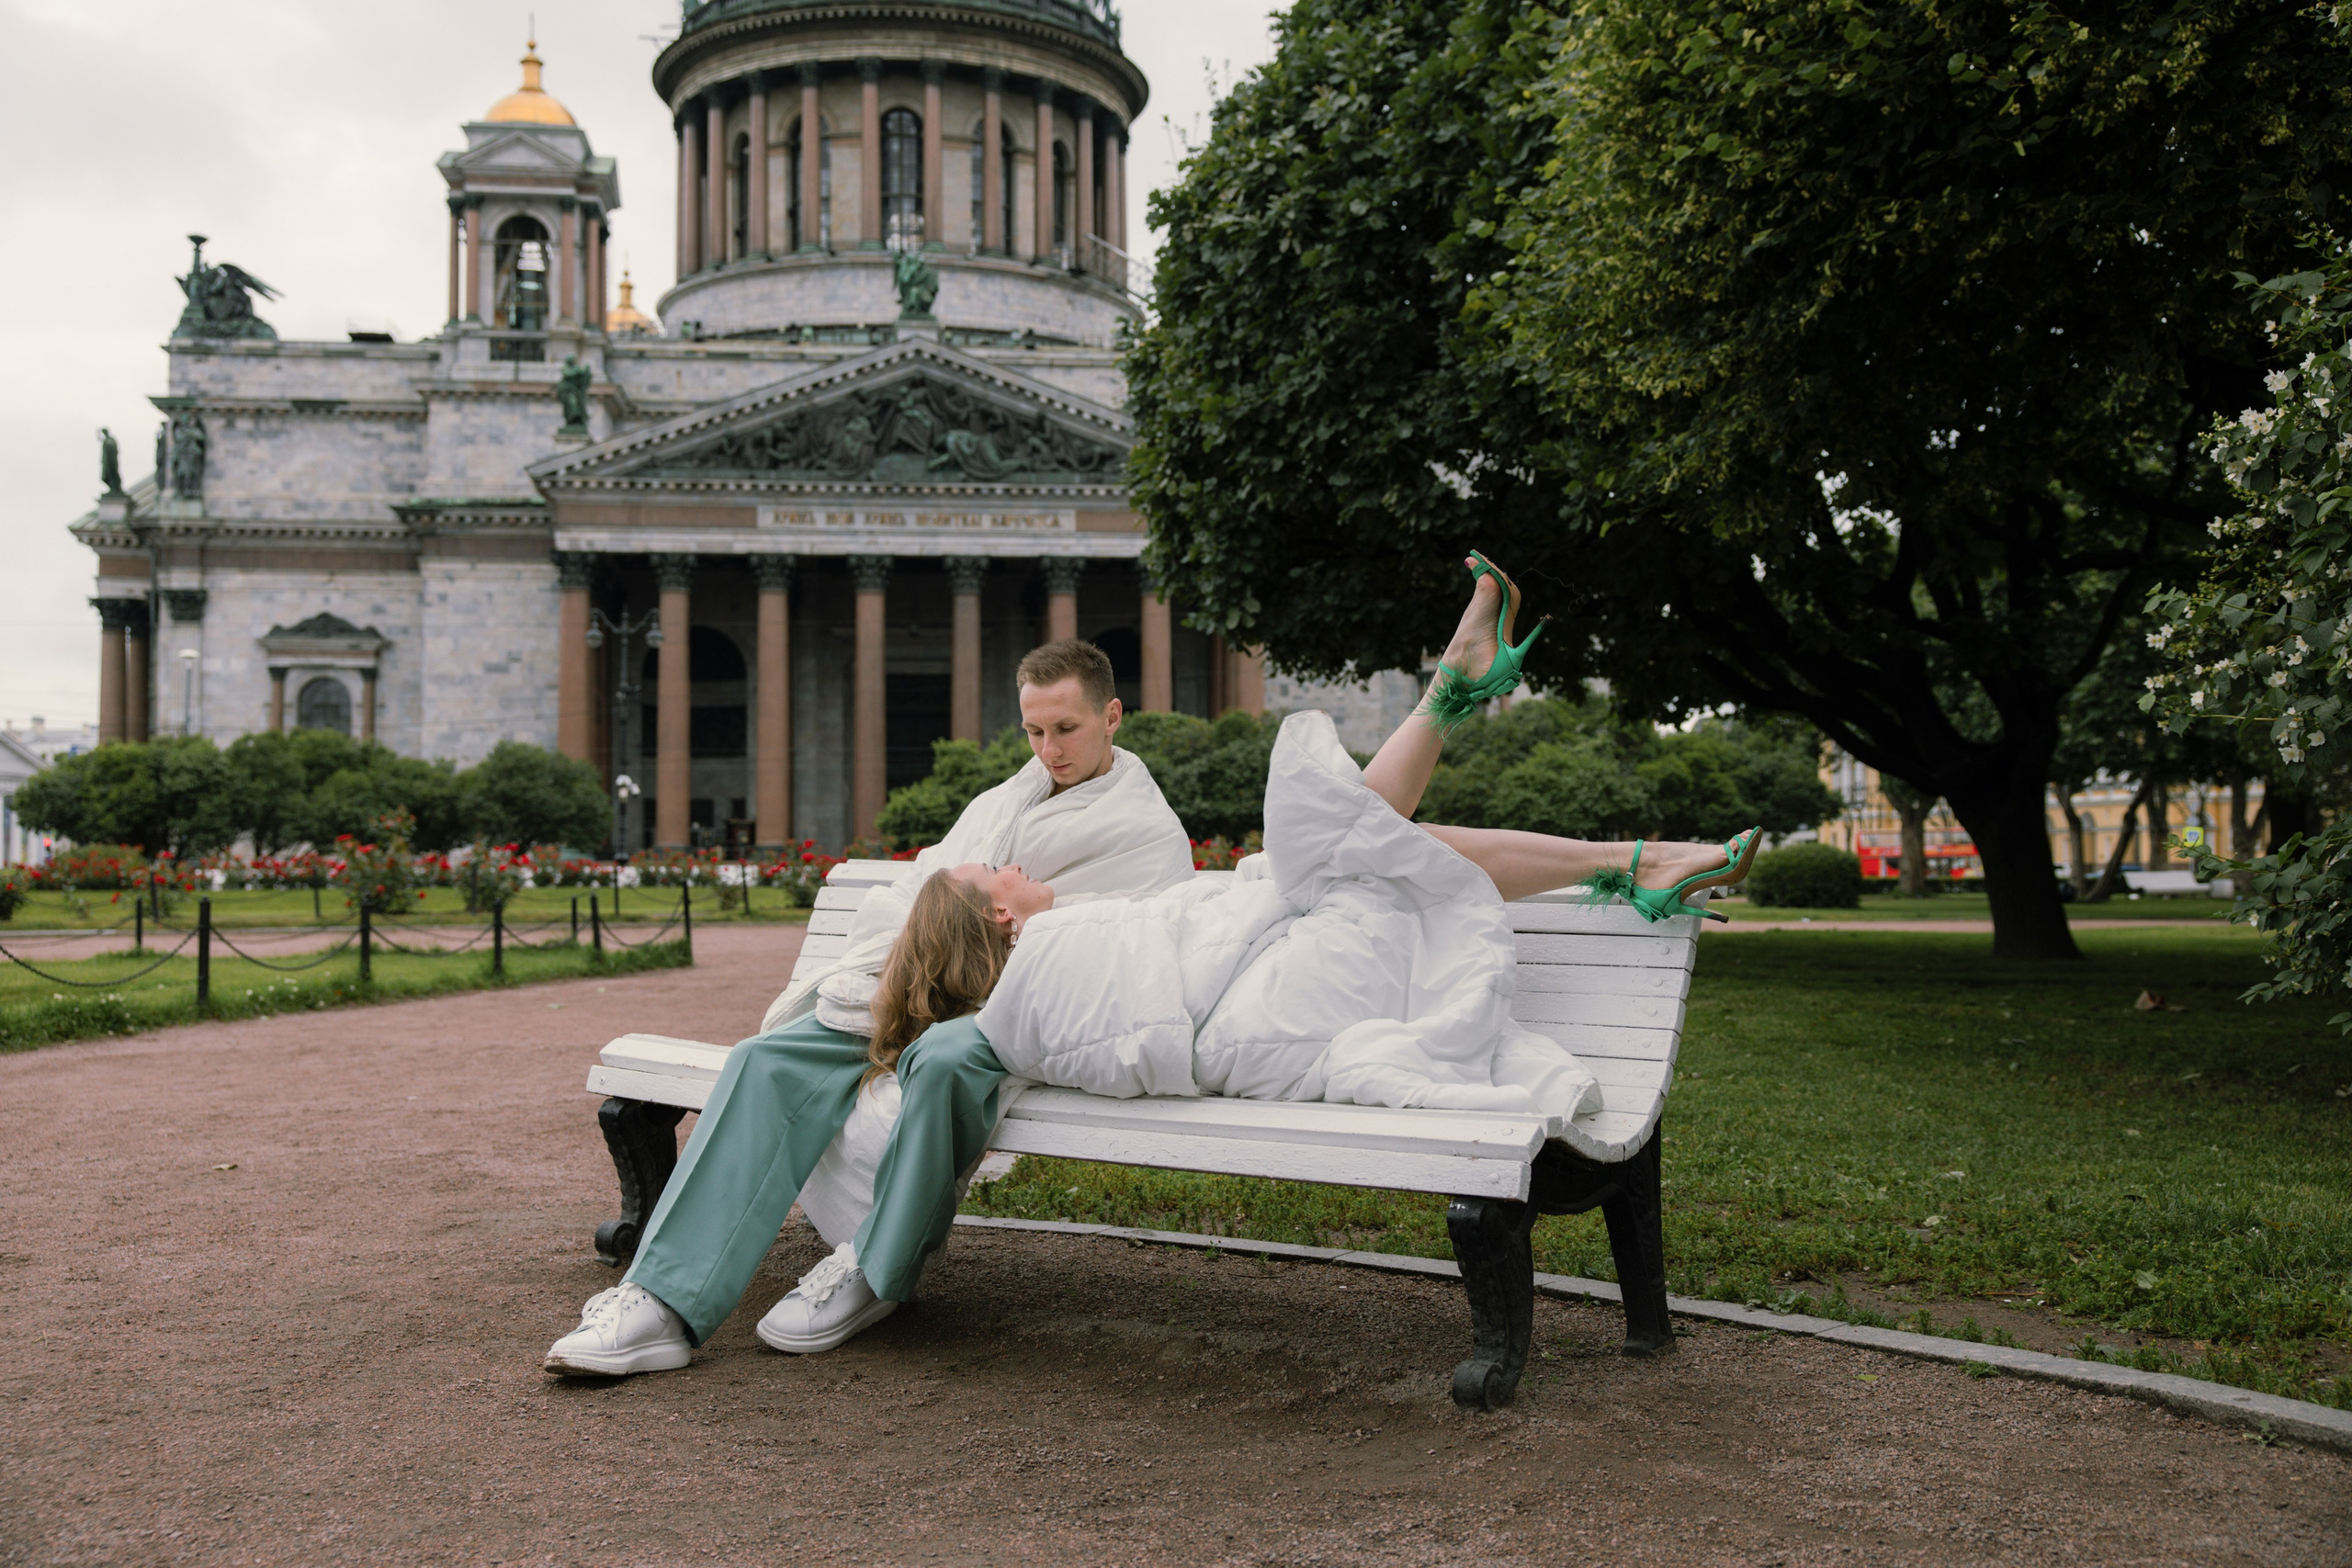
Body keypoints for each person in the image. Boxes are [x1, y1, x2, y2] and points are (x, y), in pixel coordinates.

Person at [544, 638, 1193, 1377]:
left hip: (1017, 1015)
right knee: (765, 1060)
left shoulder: (1147, 832)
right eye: (1034, 730)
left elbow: (1121, 950)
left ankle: (877, 1267)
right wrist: (912, 966)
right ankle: (661, 1299)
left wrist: (1005, 937)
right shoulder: (1002, 802)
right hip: (916, 989)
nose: (1050, 748)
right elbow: (917, 890)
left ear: (1113, 715)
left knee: (941, 1062)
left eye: (1067, 728)